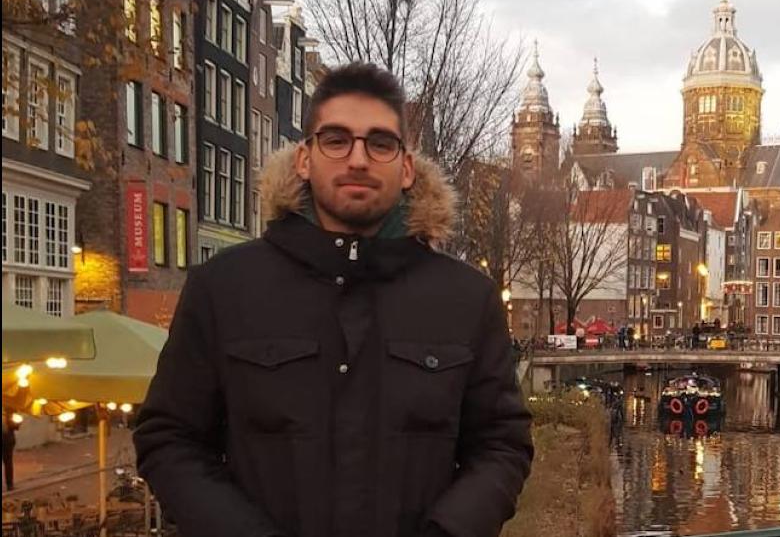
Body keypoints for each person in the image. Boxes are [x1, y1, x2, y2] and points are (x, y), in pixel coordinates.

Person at [134, 63, 533, 537]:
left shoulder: (467, 299)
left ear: (406, 168)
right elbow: (169, 437)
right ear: (304, 158)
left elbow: (502, 444)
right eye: (337, 140)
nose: (358, 160)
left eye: (380, 143)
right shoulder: (223, 287)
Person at [2, 413, 16, 491]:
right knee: (8, 463)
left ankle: (9, 484)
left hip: (7, 440)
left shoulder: (9, 411)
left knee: (8, 462)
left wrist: (14, 422)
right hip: (8, 440)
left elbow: (16, 426)